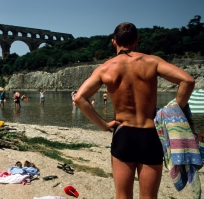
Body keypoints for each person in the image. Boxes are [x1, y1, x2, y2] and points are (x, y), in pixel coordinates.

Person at [74, 22, 195, 199]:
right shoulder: (152, 61)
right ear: (136, 41)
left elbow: (79, 98)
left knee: (123, 196)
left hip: (124, 134)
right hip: (150, 135)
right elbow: (188, 81)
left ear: (114, 42)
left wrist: (104, 125)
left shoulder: (105, 68)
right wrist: (170, 112)